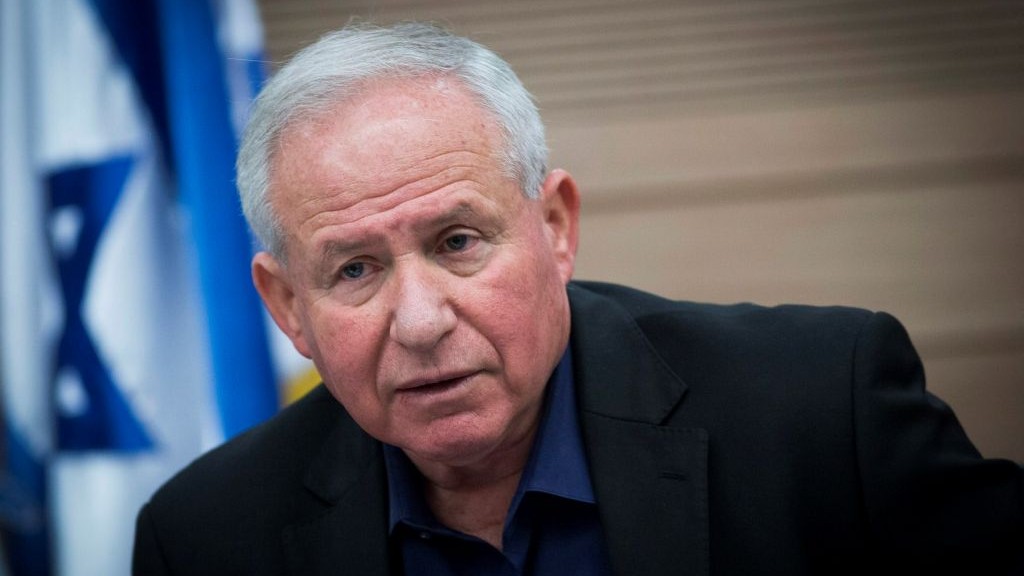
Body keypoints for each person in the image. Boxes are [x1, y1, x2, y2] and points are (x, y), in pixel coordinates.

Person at [132, 22, 1023, 576]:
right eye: (355, 270)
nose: (421, 321)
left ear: (555, 227)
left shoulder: (824, 410)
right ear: (289, 307)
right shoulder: (206, 538)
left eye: (457, 242)